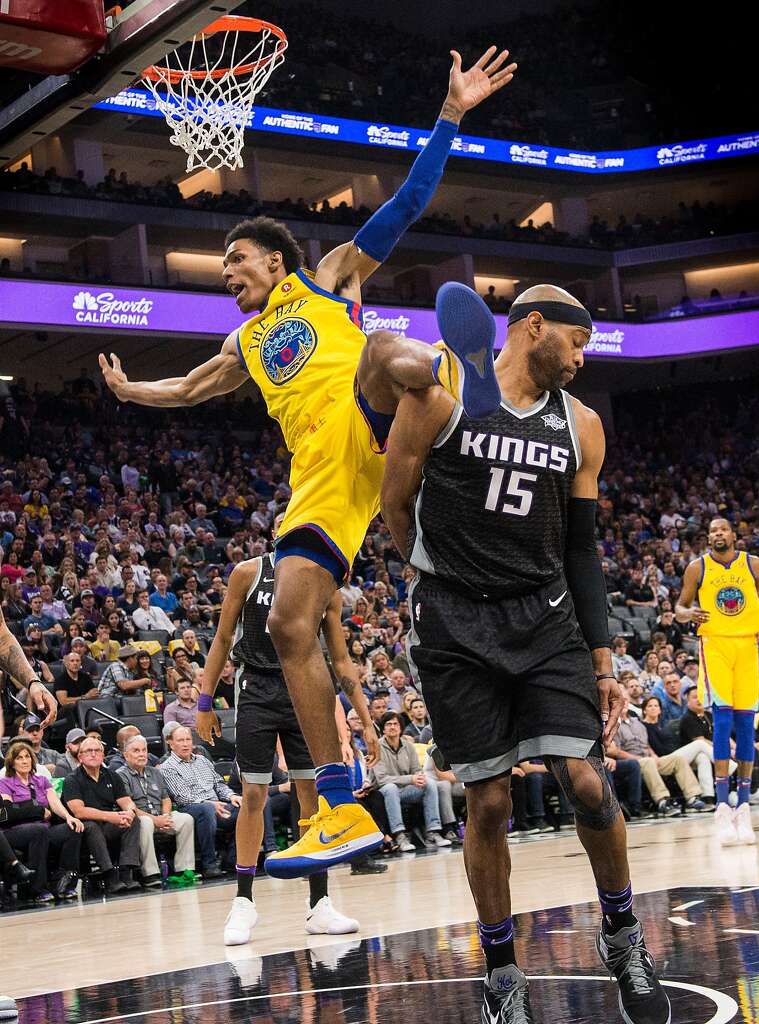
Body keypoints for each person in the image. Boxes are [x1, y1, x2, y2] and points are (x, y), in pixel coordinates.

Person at [99, 48, 515, 874]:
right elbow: (187, 387)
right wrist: (127, 392)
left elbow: (404, 205)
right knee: (289, 623)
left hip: (366, 415)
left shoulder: (324, 280)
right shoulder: (244, 344)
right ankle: (342, 808)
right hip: (322, 479)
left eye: (236, 264)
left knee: (379, 350)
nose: (228, 277)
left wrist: (451, 115)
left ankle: (459, 380)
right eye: (223, 271)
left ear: (273, 261)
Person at [381, 283, 669, 1024]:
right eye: (575, 342)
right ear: (531, 326)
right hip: (452, 621)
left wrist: (604, 663)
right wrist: (427, 570)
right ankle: (503, 973)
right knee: (490, 801)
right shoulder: (440, 392)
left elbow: (582, 548)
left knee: (587, 780)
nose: (581, 358)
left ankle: (623, 932)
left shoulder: (583, 427)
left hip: (543, 618)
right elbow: (394, 497)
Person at [195, 540, 378, 945]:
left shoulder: (325, 586)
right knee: (254, 793)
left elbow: (341, 660)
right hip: (256, 687)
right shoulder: (248, 572)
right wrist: (205, 702)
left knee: (311, 794)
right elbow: (223, 638)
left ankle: (319, 903)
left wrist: (365, 719)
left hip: (304, 692)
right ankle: (243, 901)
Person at [676, 517, 759, 845]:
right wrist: (689, 614)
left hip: (748, 646)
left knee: (747, 725)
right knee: (722, 722)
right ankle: (721, 805)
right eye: (712, 532)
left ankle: (744, 807)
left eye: (722, 530)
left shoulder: (753, 563)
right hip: (715, 646)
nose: (717, 535)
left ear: (733, 535)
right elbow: (680, 607)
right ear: (708, 539)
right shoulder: (697, 567)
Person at [0, 739, 84, 902]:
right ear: (12, 762)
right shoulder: (5, 783)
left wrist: (69, 817)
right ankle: (38, 888)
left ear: (32, 759)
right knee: (39, 831)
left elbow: (54, 803)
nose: (24, 761)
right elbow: (9, 813)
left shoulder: (41, 781)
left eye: (27, 757)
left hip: (42, 829)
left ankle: (64, 880)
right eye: (19, 758)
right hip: (14, 832)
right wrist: (36, 811)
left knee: (73, 828)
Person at [159, 725, 241, 879]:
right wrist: (211, 804)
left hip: (217, 806)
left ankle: (232, 858)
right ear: (170, 743)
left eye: (188, 739)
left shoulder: (202, 760)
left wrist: (232, 796)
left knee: (247, 809)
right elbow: (183, 797)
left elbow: (219, 784)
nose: (185, 744)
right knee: (206, 809)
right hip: (190, 808)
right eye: (180, 740)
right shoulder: (167, 767)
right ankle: (209, 864)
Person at [62, 736, 142, 894]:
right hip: (84, 830)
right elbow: (79, 811)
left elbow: (126, 801)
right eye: (88, 751)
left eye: (97, 750)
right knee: (91, 826)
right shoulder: (72, 779)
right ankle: (109, 875)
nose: (93, 754)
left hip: (108, 826)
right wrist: (111, 816)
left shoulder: (112, 775)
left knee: (134, 821)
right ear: (80, 756)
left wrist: (130, 813)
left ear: (103, 754)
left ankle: (126, 872)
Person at [115, 734, 197, 888]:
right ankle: (150, 873)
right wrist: (155, 820)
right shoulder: (120, 775)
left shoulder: (155, 772)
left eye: (144, 750)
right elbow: (130, 807)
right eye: (136, 750)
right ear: (126, 755)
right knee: (144, 822)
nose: (141, 754)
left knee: (186, 819)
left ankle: (184, 869)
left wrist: (165, 816)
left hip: (160, 815)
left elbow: (165, 799)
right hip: (140, 817)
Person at [372, 711, 451, 852]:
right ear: (383, 729)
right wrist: (411, 779)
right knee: (391, 788)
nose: (392, 727)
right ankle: (399, 835)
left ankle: (433, 832)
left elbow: (416, 770)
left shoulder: (409, 746)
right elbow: (382, 779)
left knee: (429, 783)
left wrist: (419, 778)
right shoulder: (376, 747)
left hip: (405, 790)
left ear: (401, 727)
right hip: (383, 791)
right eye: (388, 724)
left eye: (395, 724)